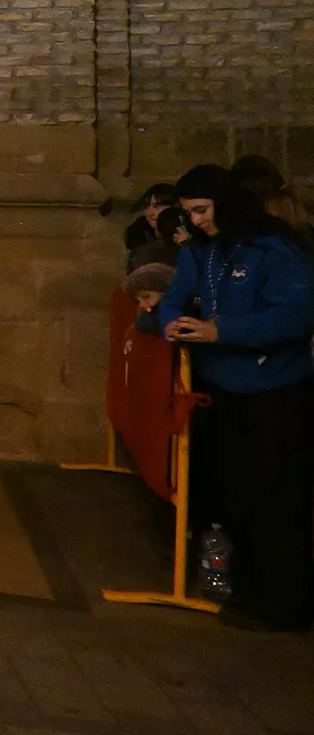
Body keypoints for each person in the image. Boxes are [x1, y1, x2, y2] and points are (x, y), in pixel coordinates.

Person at [161, 163, 314, 631]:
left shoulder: (274, 249)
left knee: (276, 502)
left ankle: (283, 601)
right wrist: (169, 319)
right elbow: (176, 295)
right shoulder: (200, 252)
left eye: (202, 211)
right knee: (237, 498)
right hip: (222, 392)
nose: (197, 222)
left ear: (224, 204)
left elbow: (293, 315)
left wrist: (221, 330)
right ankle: (248, 587)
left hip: (274, 395)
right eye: (187, 214)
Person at [125, 183, 179, 258]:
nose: (150, 213)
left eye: (157, 206)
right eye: (147, 206)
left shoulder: (188, 232)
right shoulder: (137, 232)